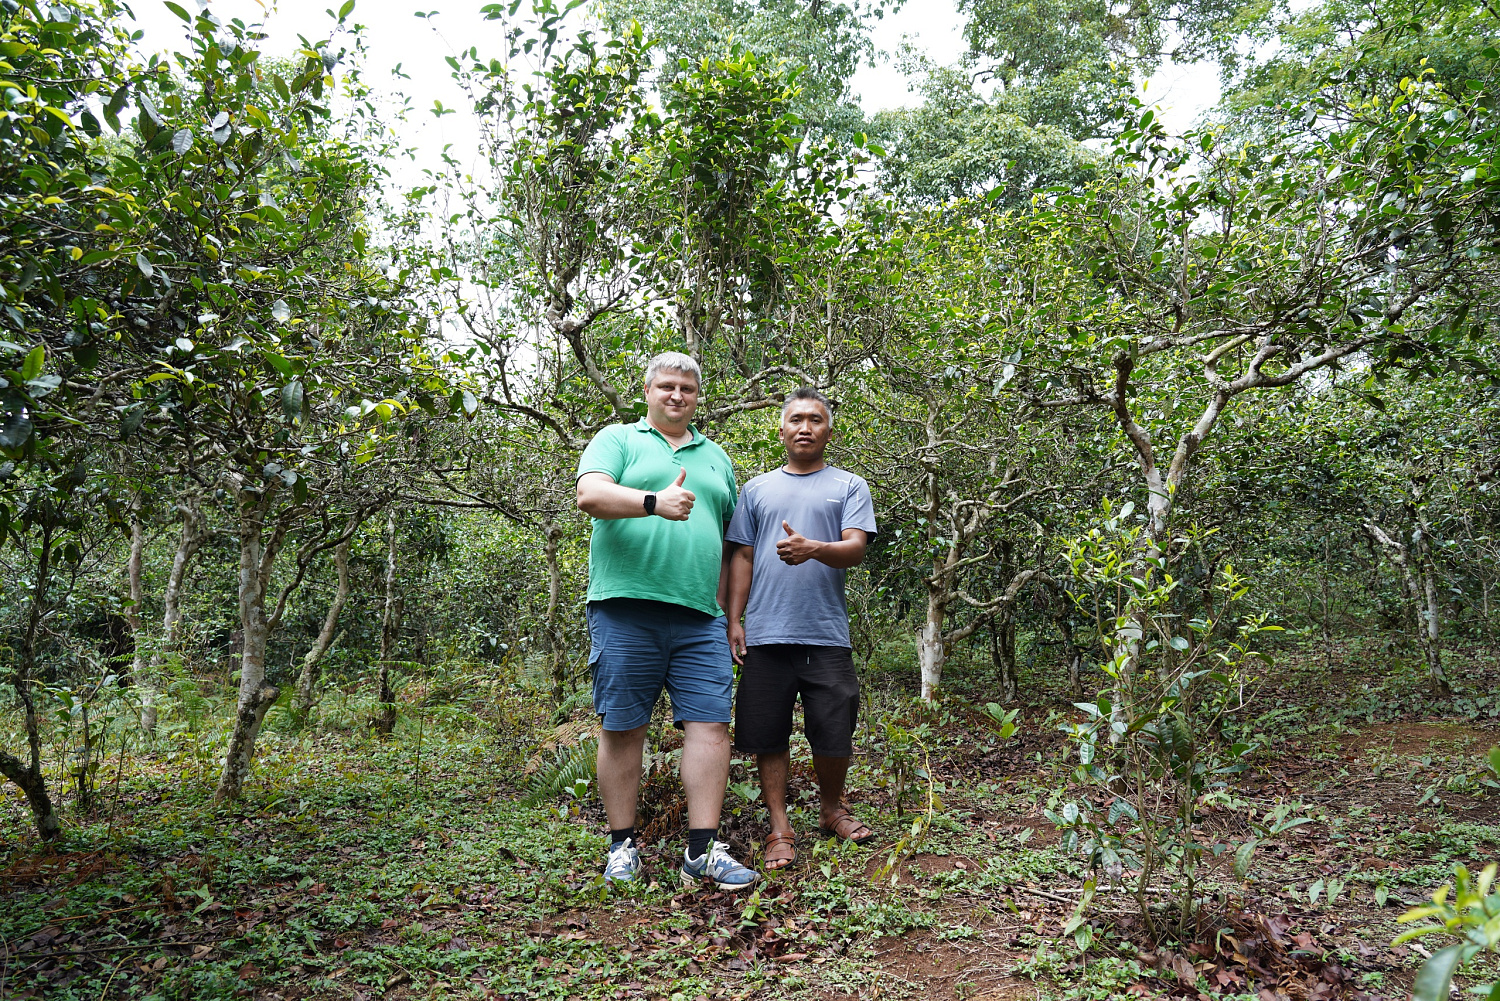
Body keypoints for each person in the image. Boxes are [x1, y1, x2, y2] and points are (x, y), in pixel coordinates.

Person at [574, 351, 760, 891]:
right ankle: (622, 845)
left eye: (687, 388)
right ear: (649, 392)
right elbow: (590, 494)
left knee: (710, 727)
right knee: (623, 726)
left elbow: (729, 546)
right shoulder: (619, 439)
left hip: (701, 616)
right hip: (626, 607)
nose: (677, 395)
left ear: (698, 397)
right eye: (667, 387)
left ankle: (702, 851)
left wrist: (732, 616)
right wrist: (654, 501)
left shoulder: (717, 458)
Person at [724, 387, 877, 871]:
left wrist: (814, 548)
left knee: (834, 733)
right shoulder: (757, 489)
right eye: (796, 420)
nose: (805, 427)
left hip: (825, 632)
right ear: (782, 428)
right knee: (768, 735)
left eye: (815, 419)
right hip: (767, 633)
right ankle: (779, 828)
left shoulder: (850, 486)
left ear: (829, 429)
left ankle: (831, 809)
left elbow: (855, 547)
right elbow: (742, 556)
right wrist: (735, 620)